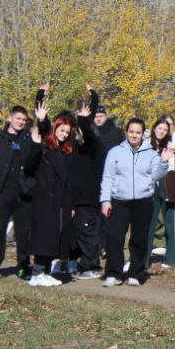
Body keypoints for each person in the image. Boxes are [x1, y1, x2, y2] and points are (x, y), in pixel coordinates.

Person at [100, 117, 172, 286]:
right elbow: (107, 178)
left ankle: (136, 273)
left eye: (138, 132)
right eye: (131, 131)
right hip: (119, 200)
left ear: (143, 134)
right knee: (114, 237)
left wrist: (163, 161)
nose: (134, 135)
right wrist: (105, 200)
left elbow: (157, 175)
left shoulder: (151, 153)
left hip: (143, 201)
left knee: (139, 239)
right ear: (126, 132)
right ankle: (114, 273)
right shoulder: (115, 152)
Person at [0, 99, 37, 280]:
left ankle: (23, 266)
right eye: (18, 118)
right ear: (10, 118)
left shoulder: (27, 139)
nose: (21, 122)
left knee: (23, 232)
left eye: (24, 120)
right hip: (2, 191)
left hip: (23, 192)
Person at [25, 102, 72, 287]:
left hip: (58, 201)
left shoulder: (64, 151)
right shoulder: (44, 145)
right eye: (62, 130)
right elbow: (28, 165)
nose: (64, 134)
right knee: (43, 237)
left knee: (54, 237)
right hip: (44, 199)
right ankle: (36, 273)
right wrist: (42, 117)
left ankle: (44, 271)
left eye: (67, 132)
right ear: (56, 128)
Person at [68, 100, 106, 280]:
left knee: (87, 232)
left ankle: (92, 265)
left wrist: (83, 118)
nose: (77, 134)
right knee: (76, 233)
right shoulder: (77, 149)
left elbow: (89, 134)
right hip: (76, 199)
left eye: (79, 130)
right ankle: (77, 263)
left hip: (89, 199)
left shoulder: (96, 147)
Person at [147, 115, 175, 270]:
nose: (161, 131)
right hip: (149, 188)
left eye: (165, 129)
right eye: (159, 128)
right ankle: (144, 257)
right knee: (148, 224)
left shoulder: (170, 146)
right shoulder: (146, 144)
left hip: (167, 186)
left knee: (170, 222)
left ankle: (170, 258)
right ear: (154, 128)